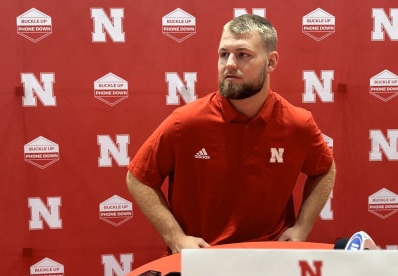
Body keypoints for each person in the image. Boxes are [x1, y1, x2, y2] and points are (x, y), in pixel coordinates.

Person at [126, 14, 336, 254]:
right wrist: (176, 238)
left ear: (271, 62)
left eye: (243, 55)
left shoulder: (298, 123)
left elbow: (325, 169)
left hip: (270, 259)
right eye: (224, 54)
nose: (229, 64)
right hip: (203, 260)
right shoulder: (186, 122)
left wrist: (301, 228)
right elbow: (138, 178)